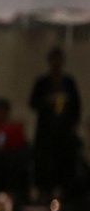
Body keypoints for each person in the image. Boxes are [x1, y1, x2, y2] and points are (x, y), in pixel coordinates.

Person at [27, 47, 82, 202]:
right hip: (46, 131)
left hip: (64, 131)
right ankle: (45, 192)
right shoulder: (43, 82)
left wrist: (74, 124)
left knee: (64, 162)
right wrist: (47, 101)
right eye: (53, 60)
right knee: (45, 163)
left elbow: (77, 105)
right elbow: (33, 103)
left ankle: (64, 192)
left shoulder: (68, 82)